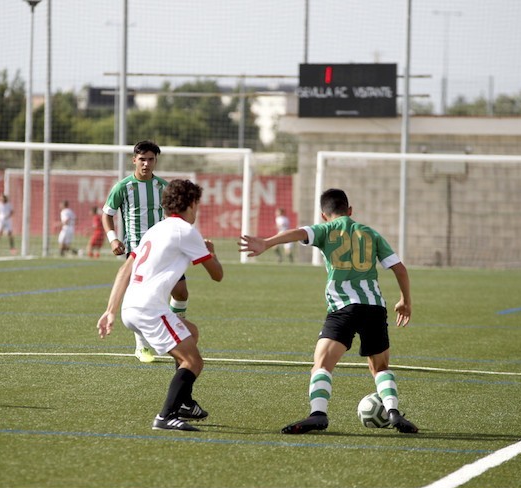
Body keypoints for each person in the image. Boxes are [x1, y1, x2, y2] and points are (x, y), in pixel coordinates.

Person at [238, 188, 418, 434]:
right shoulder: (370, 233)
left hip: (343, 308)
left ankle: (318, 414)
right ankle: (394, 412)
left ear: (324, 215)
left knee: (321, 364)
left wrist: (267, 243)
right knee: (380, 367)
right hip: (375, 307)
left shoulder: (325, 229)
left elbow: (298, 232)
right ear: (350, 211)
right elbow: (400, 269)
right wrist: (405, 301)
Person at [97, 179, 223, 431]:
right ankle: (165, 416)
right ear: (191, 204)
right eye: (197, 205)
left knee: (191, 332)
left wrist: (110, 310)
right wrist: (211, 252)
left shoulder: (154, 230)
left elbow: (124, 270)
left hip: (131, 307)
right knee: (194, 363)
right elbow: (217, 275)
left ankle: (185, 403)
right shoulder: (186, 231)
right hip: (149, 310)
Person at [102, 140, 190, 363]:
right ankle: (141, 346)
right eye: (142, 159)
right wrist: (113, 239)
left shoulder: (163, 186)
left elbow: (175, 215)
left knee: (180, 292)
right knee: (142, 297)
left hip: (165, 247)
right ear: (134, 160)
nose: (146, 163)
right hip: (137, 249)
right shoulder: (123, 187)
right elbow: (107, 214)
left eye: (151, 159)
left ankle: (174, 334)